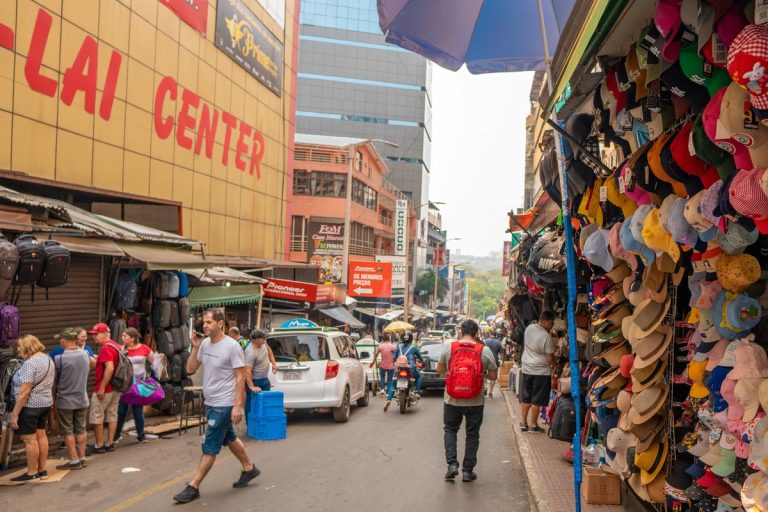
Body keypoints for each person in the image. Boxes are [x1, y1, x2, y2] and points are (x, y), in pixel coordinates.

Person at [173, 309, 260, 504]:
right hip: (210, 401)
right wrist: (195, 347)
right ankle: (249, 468)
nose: (205, 325)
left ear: (220, 324)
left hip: (224, 403)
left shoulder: (232, 347)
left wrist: (237, 406)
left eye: (209, 322)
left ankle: (194, 486)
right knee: (229, 437)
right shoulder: (204, 344)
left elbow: (239, 377)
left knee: (209, 445)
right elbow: (190, 369)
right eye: (204, 322)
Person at [436, 319, 497, 483]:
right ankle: (468, 472)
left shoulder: (449, 347)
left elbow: (439, 370)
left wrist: (452, 373)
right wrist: (480, 374)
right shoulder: (484, 350)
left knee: (450, 430)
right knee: (472, 434)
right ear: (477, 334)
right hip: (475, 400)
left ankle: (452, 465)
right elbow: (493, 376)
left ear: (460, 332)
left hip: (452, 399)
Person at [9, 335, 55, 483]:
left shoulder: (29, 364)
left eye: (20, 347)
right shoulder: (48, 359)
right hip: (45, 403)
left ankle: (32, 473)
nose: (18, 350)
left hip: (30, 406)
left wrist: (15, 413)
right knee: (41, 435)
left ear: (27, 347)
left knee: (29, 439)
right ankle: (42, 470)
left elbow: (24, 392)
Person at [51, 328, 91, 471]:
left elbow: (55, 381)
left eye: (60, 339)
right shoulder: (86, 354)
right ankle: (82, 458)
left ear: (64, 340)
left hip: (65, 401)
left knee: (67, 431)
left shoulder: (59, 359)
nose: (60, 342)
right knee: (81, 428)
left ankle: (74, 461)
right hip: (82, 399)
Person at [114, 327, 153, 444]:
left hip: (139, 384)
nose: (122, 338)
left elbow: (153, 362)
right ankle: (116, 435)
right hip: (125, 385)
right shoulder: (121, 349)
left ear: (133, 338)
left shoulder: (145, 348)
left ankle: (141, 436)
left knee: (138, 410)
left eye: (125, 336)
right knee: (121, 411)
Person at [519, 311, 556, 433]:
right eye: (552, 322)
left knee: (526, 397)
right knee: (537, 399)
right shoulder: (546, 336)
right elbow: (550, 358)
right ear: (545, 321)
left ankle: (523, 422)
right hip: (540, 371)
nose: (553, 324)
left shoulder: (529, 328)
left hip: (526, 368)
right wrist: (555, 366)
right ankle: (533, 425)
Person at [88, 322, 121, 453]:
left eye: (96, 334)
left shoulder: (106, 348)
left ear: (105, 334)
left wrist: (102, 387)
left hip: (105, 389)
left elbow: (110, 368)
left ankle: (99, 445)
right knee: (112, 414)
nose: (94, 337)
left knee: (97, 416)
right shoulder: (116, 345)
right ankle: (109, 443)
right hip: (116, 387)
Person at [384, 331, 424, 411]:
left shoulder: (398, 347)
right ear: (411, 339)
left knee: (393, 384)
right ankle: (417, 392)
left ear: (402, 338)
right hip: (411, 370)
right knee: (418, 377)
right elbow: (421, 358)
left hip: (398, 369)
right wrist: (423, 363)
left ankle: (389, 400)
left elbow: (394, 358)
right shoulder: (413, 348)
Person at [244, 329, 277, 417]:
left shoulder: (264, 343)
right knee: (251, 404)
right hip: (255, 381)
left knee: (265, 402)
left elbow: (269, 351)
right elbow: (247, 371)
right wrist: (252, 387)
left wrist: (274, 364)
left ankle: (263, 422)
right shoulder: (250, 352)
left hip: (265, 379)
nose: (265, 339)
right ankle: (250, 423)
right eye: (263, 338)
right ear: (256, 339)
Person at [482, 331, 502, 398]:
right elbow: (501, 353)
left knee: (483, 375)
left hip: (485, 360)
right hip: (494, 360)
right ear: (495, 335)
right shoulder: (498, 342)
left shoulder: (484, 341)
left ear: (490, 334)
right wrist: (501, 360)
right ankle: (490, 392)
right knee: (493, 377)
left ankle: (484, 390)